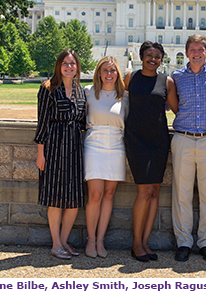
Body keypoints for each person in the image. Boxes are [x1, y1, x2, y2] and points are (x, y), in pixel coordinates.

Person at [170, 34, 206, 262]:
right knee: (181, 193)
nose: (196, 53)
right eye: (192, 49)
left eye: (200, 49)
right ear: (186, 53)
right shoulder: (177, 76)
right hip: (183, 138)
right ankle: (183, 241)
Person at [124, 41, 178, 262]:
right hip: (136, 140)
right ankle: (136, 243)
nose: (153, 59)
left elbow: (177, 110)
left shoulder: (167, 81)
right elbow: (114, 99)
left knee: (155, 190)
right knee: (144, 191)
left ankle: (145, 242)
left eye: (157, 56)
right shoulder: (130, 77)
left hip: (158, 140)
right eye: (149, 55)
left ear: (161, 58)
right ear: (141, 56)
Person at [34, 49, 87, 259]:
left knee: (73, 199)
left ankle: (65, 242)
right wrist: (41, 153)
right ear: (59, 65)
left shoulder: (80, 91)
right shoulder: (48, 88)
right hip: (55, 147)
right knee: (55, 198)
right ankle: (55, 244)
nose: (69, 67)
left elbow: (83, 121)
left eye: (72, 64)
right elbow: (43, 123)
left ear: (77, 67)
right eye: (65, 63)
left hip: (74, 148)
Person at [83, 56, 128, 259]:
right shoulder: (88, 92)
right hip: (94, 143)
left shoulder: (124, 96)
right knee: (95, 195)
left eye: (112, 70)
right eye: (105, 70)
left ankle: (101, 240)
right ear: (98, 73)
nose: (109, 74)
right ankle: (90, 240)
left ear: (117, 72)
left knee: (109, 195)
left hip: (117, 145)